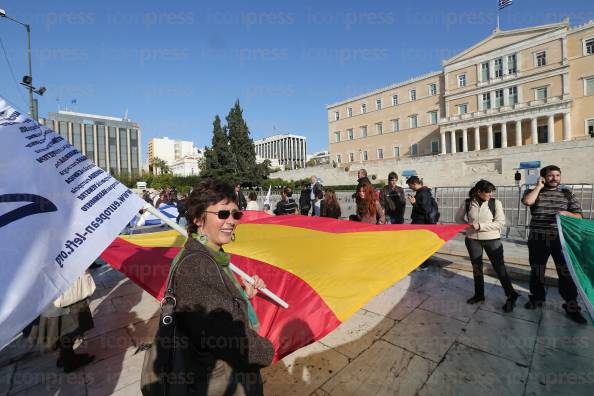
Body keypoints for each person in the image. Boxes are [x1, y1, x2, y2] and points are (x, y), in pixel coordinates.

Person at [151, 179, 274, 394]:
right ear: (198, 218)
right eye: (222, 214)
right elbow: (230, 340)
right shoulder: (196, 266)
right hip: (218, 381)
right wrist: (269, 349)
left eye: (235, 214)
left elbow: (213, 309)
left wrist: (244, 295)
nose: (231, 221)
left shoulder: (211, 255)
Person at [521, 165, 587, 324]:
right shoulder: (533, 191)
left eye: (557, 175)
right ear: (543, 177)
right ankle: (537, 298)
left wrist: (567, 214)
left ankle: (571, 306)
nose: (555, 178)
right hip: (538, 238)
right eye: (551, 175)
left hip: (561, 239)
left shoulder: (567, 193)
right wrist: (538, 186)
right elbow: (527, 202)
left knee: (565, 273)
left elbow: (579, 216)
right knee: (537, 269)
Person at [455, 180, 519, 312]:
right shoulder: (467, 202)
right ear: (479, 192)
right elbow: (458, 219)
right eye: (488, 192)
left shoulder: (495, 203)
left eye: (491, 192)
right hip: (472, 240)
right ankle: (479, 295)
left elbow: (500, 223)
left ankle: (511, 295)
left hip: (492, 240)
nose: (490, 194)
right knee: (477, 268)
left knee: (499, 268)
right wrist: (468, 228)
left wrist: (480, 226)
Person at [23, 271, 96, 373]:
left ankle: (66, 356)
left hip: (47, 293)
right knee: (69, 327)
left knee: (60, 327)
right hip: (61, 288)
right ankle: (69, 361)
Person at [406, 176, 437, 270]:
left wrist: (414, 203)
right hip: (419, 222)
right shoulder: (422, 192)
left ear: (414, 184)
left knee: (420, 245)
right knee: (418, 244)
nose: (410, 188)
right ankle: (420, 263)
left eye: (410, 185)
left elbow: (425, 210)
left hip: (421, 223)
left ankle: (423, 265)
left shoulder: (423, 193)